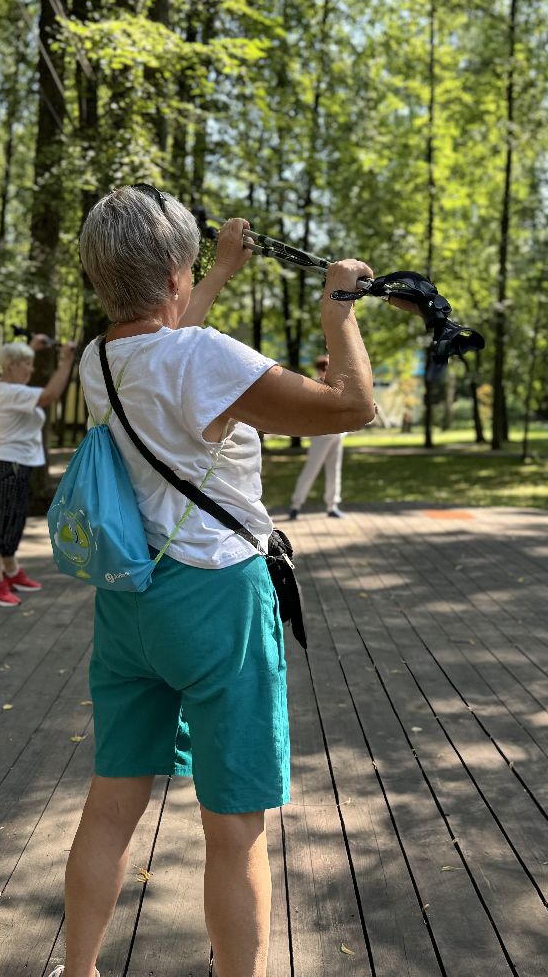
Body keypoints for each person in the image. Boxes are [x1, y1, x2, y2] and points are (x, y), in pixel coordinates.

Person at [50, 184, 380, 977]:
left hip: (130, 602)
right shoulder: (203, 357)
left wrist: (220, 271)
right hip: (218, 602)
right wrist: (340, 308)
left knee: (110, 804)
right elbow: (351, 405)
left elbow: (167, 344)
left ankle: (82, 970)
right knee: (235, 828)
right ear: (173, 273)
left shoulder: (101, 361)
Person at [0, 334, 77, 607]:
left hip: (20, 463)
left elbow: (26, 373)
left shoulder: (12, 387)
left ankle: (10, 572)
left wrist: (32, 349)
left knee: (16, 519)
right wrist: (66, 361)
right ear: (10, 365)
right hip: (8, 463)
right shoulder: (8, 392)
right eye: (26, 363)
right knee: (3, 522)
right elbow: (50, 395)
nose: (31, 369)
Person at [287, 354, 348, 520]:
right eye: (324, 368)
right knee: (311, 469)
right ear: (319, 369)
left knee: (334, 470)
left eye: (329, 368)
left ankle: (332, 505)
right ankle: (296, 505)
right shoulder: (314, 386)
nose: (327, 371)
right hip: (321, 435)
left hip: (338, 434)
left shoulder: (340, 386)